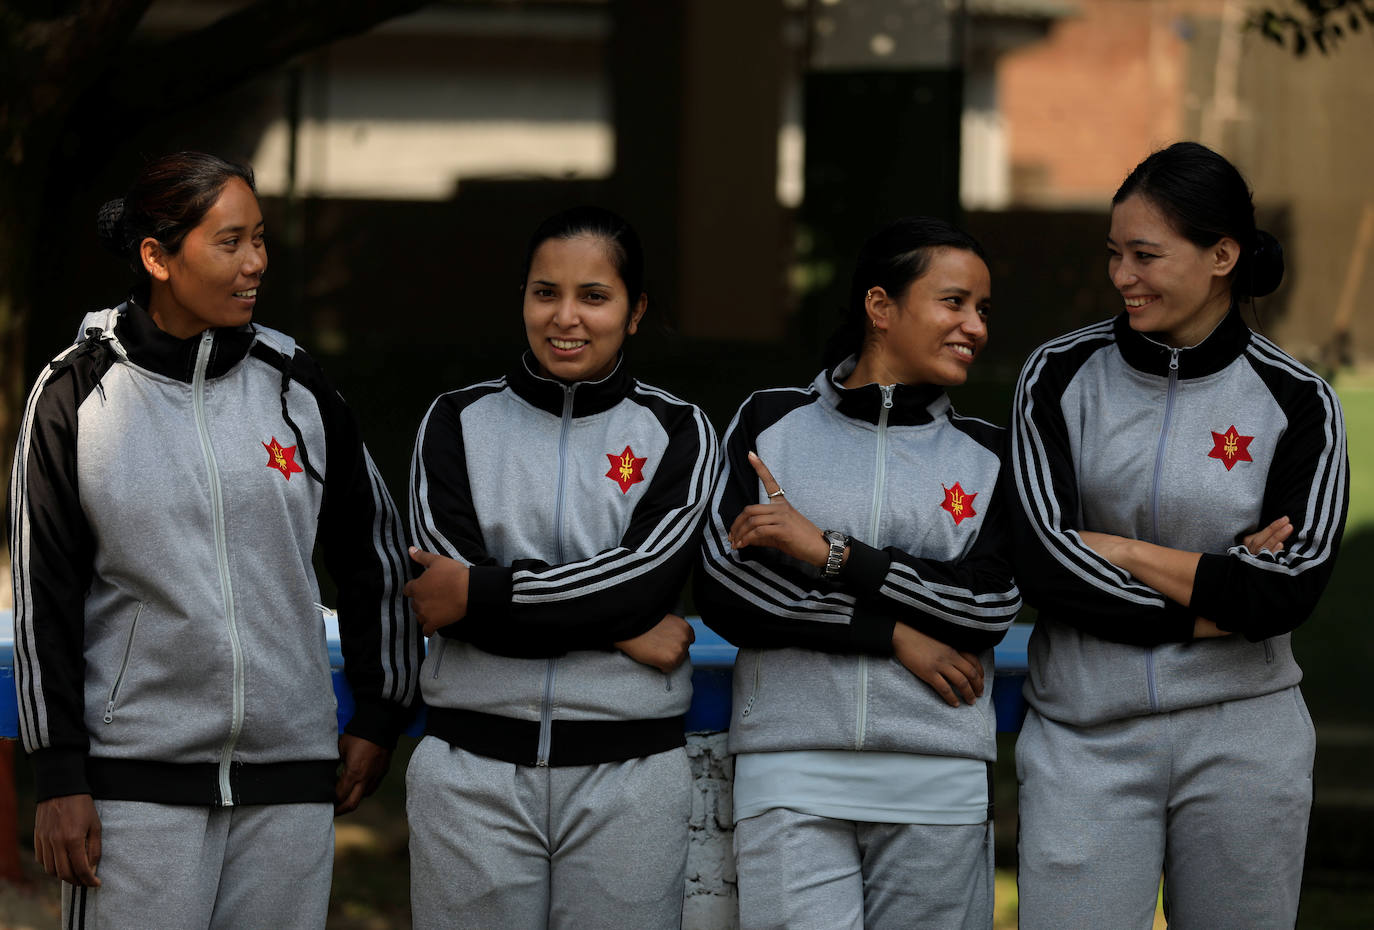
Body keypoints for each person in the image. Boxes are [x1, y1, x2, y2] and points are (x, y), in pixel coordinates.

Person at [8, 152, 420, 929]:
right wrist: (60, 775)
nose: (255, 263)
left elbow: (375, 549)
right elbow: (45, 599)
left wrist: (378, 710)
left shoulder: (296, 383)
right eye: (229, 243)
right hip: (134, 788)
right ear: (157, 258)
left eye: (260, 239)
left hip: (291, 785)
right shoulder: (75, 395)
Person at [1008, 141, 1348, 929]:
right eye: (1114, 254)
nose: (1121, 276)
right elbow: (1042, 565)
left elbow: (1285, 590)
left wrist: (1114, 547)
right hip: (1082, 740)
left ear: (1222, 256)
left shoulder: (1299, 403)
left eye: (1146, 255)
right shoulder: (1056, 375)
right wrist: (1216, 592)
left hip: (1246, 746)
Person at [696, 216, 1022, 930]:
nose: (975, 326)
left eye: (983, 310)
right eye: (954, 302)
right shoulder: (770, 424)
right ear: (881, 308)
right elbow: (728, 583)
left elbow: (988, 605)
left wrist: (829, 553)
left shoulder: (987, 454)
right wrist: (892, 634)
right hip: (791, 774)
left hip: (938, 781)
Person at [403, 205, 719, 930]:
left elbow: (643, 584)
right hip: (469, 774)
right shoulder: (454, 420)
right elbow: (438, 593)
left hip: (631, 780)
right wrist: (617, 629)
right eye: (545, 292)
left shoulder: (679, 430)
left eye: (594, 296)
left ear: (635, 312)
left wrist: (486, 592)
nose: (565, 317)